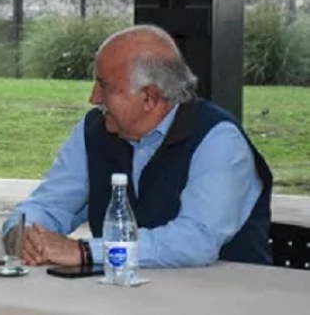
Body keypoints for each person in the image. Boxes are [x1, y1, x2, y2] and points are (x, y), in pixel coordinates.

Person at [15, 24, 272, 268]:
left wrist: (86, 252)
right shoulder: (94, 130)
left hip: (225, 292)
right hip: (123, 290)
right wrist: (26, 235)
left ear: (149, 97)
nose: (93, 98)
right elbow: (49, 205)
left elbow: (196, 240)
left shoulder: (217, 139)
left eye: (105, 87)